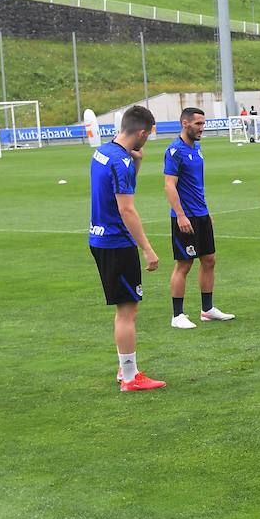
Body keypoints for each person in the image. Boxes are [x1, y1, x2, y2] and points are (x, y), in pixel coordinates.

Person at [88, 104, 165, 392]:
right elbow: (127, 209)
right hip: (116, 242)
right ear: (142, 132)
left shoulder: (104, 152)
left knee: (124, 309)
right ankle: (130, 377)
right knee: (127, 311)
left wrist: (138, 162)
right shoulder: (120, 161)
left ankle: (127, 369)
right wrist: (147, 248)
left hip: (99, 237)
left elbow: (118, 186)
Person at [163, 107, 234, 328]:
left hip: (201, 214)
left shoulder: (197, 147)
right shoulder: (175, 151)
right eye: (198, 124)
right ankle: (177, 315)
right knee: (184, 264)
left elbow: (195, 185)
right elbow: (169, 185)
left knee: (209, 260)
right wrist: (181, 216)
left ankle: (207, 309)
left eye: (203, 124)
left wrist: (206, 212)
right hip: (185, 218)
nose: (202, 128)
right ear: (185, 123)